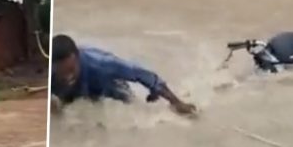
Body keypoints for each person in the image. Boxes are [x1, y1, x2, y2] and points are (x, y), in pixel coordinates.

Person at [50, 34, 197, 115]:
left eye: (71, 70)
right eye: (62, 73)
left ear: (77, 58)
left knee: (131, 112)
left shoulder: (102, 64)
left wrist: (176, 102)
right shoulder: (51, 73)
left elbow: (143, 74)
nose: (68, 77)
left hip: (110, 89)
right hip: (71, 93)